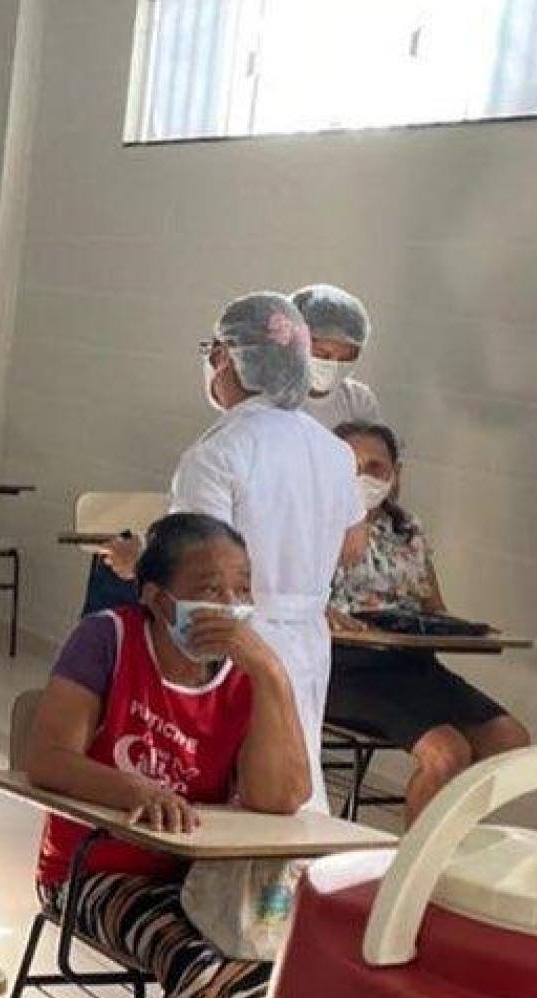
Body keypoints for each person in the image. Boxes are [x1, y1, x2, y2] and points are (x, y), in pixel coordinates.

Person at [24, 512, 310, 998]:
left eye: (243, 588)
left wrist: (270, 675)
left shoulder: (245, 670)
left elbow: (279, 797)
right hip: (92, 871)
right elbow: (48, 758)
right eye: (212, 588)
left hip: (204, 882)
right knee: (202, 969)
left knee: (306, 969)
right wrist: (135, 791)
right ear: (157, 599)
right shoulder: (108, 640)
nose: (231, 605)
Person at [109, 292, 362, 811]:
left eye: (212, 352)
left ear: (225, 357)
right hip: (308, 641)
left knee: (239, 789)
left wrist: (140, 560)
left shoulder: (220, 451)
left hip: (236, 638)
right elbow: (351, 546)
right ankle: (286, 892)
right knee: (294, 773)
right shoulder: (334, 453)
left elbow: (200, 566)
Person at [326, 422, 530, 823]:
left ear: (395, 474)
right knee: (446, 752)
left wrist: (469, 630)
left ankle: (448, 839)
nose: (363, 477)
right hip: (344, 670)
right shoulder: (310, 523)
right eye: (351, 466)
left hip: (412, 666)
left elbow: (432, 608)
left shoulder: (407, 530)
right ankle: (413, 871)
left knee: (511, 740)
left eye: (375, 468)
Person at [291, 284, 382, 431]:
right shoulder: (266, 396)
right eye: (322, 354)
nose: (333, 364)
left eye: (346, 358)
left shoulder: (357, 401)